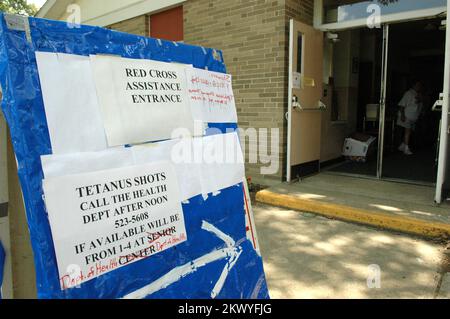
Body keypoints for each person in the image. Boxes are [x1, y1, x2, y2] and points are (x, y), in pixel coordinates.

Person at [397, 79, 424, 155]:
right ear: (414, 85)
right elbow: (402, 105)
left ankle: (402, 146)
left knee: (408, 132)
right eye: (418, 85)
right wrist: (402, 115)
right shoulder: (408, 93)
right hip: (406, 116)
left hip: (413, 117)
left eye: (420, 85)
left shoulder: (418, 94)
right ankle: (406, 148)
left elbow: (419, 105)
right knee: (407, 131)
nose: (419, 87)